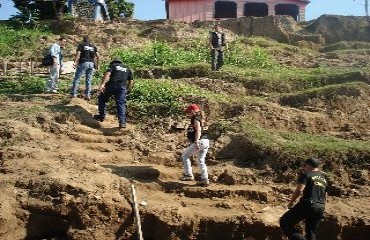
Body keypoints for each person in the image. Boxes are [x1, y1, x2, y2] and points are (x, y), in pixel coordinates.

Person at [280, 157, 328, 240]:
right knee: (311, 232)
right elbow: (325, 195)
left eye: (304, 165)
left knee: (285, 222)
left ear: (309, 165)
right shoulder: (323, 179)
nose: (304, 168)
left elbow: (299, 190)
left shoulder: (307, 175)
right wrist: (322, 207)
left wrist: (291, 203)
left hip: (308, 204)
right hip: (320, 207)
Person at [94, 59, 133, 128]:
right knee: (121, 104)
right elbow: (131, 81)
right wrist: (128, 90)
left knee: (102, 98)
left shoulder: (113, 65)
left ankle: (101, 116)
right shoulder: (128, 69)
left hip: (111, 85)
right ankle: (122, 122)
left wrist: (102, 84)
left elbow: (108, 74)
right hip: (122, 88)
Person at [179, 104, 210, 186]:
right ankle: (205, 179)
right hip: (206, 141)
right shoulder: (199, 118)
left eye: (188, 112)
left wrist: (196, 141)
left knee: (185, 156)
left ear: (192, 111)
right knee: (201, 160)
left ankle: (188, 175)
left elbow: (198, 130)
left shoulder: (195, 118)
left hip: (200, 141)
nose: (187, 114)